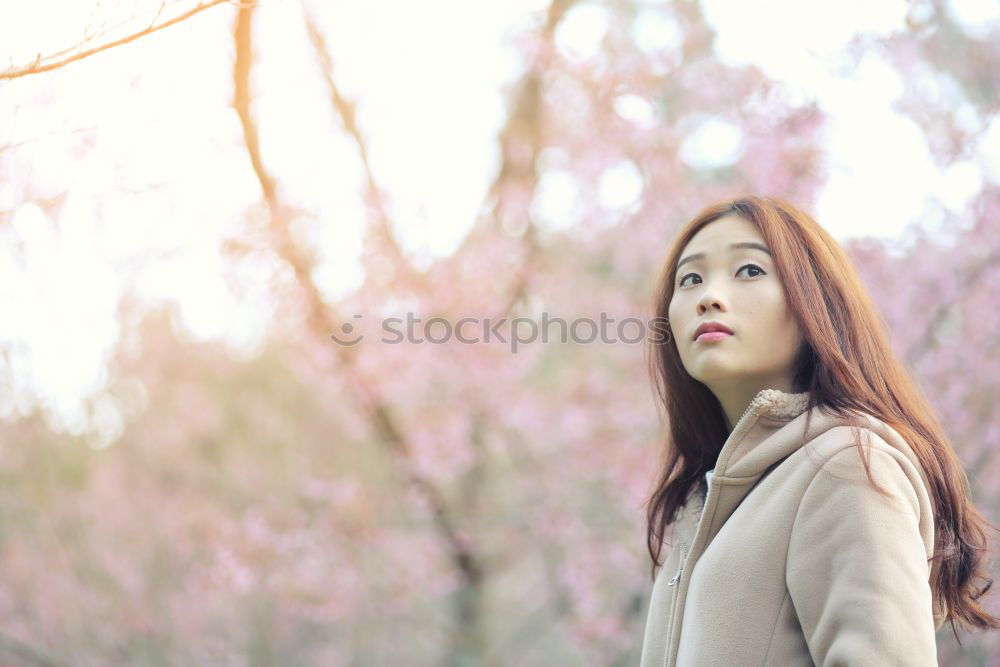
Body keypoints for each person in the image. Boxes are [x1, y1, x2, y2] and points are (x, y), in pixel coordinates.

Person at [639, 196, 998, 666]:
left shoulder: (847, 464)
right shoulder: (697, 507)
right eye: (691, 278)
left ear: (816, 304)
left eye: (749, 270)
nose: (709, 295)